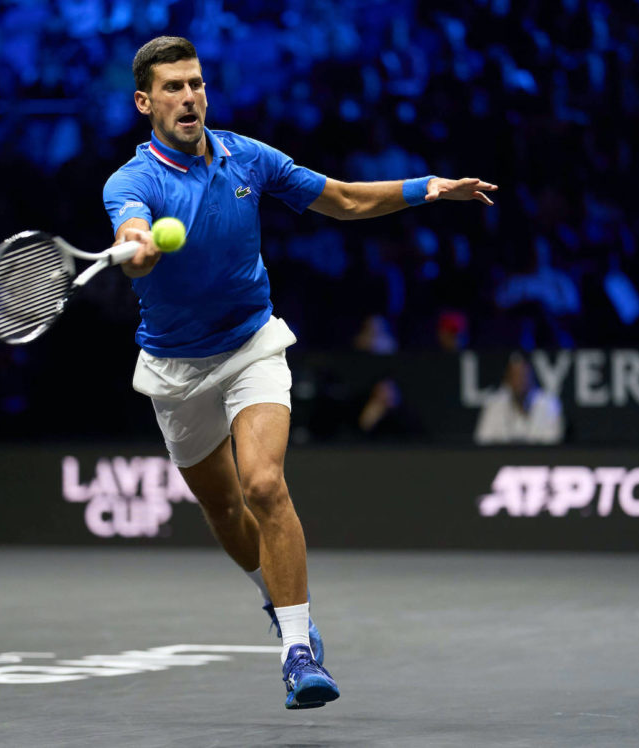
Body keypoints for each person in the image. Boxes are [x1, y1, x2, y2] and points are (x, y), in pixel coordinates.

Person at [102, 36, 497, 710]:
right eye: (173, 87)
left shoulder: (247, 157)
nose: (189, 97)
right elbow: (134, 240)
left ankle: (297, 653)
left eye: (196, 83)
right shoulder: (131, 183)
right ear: (145, 102)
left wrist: (427, 188)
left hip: (251, 345)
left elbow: (342, 199)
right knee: (224, 509)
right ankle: (277, 599)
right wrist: (137, 248)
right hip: (174, 367)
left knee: (262, 483)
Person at [474, 352, 564, 445]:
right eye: (515, 376)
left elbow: (554, 440)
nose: (520, 381)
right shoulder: (493, 404)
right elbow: (483, 439)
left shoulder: (549, 403)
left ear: (531, 377)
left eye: (524, 375)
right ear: (508, 379)